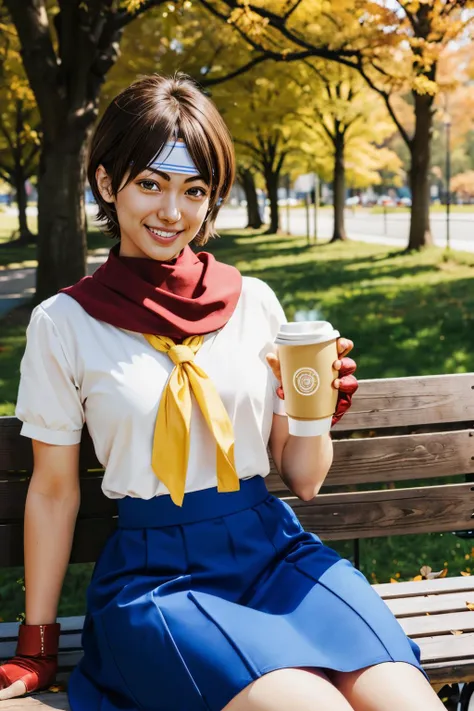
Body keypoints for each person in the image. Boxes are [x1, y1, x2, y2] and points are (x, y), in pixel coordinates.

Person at [0, 74, 444, 711]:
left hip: (272, 551)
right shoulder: (64, 323)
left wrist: (312, 412)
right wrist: (38, 641)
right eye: (150, 184)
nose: (172, 212)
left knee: (408, 703)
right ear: (106, 183)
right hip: (160, 579)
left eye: (194, 190)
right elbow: (52, 489)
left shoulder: (255, 303)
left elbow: (306, 478)